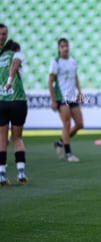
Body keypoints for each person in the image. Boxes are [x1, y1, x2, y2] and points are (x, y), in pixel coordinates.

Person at [0, 24, 28, 185]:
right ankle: (21, 173)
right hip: (17, 101)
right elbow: (15, 65)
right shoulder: (16, 54)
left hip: (2, 102)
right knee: (17, 138)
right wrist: (10, 81)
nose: (3, 36)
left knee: (2, 140)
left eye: (4, 34)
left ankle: (2, 174)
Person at [48, 38, 84, 162]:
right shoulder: (56, 62)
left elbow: (76, 77)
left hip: (72, 96)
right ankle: (68, 154)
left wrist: (79, 92)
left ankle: (59, 142)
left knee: (79, 124)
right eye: (62, 46)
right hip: (61, 96)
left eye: (66, 46)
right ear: (59, 48)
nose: (65, 48)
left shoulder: (72, 60)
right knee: (66, 124)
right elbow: (50, 82)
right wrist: (53, 100)